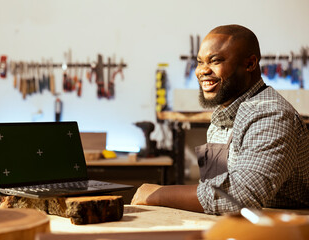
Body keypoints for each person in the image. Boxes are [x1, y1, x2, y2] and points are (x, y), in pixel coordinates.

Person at [131, 24, 309, 214]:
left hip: (282, 229)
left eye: (215, 61)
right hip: (236, 225)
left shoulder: (272, 116)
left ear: (250, 64)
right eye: (200, 62)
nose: (202, 71)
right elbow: (212, 187)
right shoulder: (221, 118)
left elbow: (239, 197)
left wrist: (159, 194)